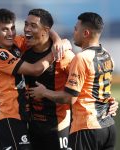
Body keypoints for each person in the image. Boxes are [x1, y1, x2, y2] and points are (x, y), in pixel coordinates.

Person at [28, 12, 118, 150]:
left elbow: (69, 98)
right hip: (108, 127)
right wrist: (112, 102)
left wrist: (44, 92)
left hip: (87, 127)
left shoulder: (81, 58)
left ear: (86, 33)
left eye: (76, 29)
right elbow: (100, 90)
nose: (73, 32)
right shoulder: (107, 55)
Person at [0, 8, 70, 150]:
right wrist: (57, 52)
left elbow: (44, 32)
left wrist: (58, 40)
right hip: (8, 117)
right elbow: (35, 69)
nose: (10, 33)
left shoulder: (15, 43)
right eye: (4, 30)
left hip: (21, 117)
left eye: (12, 28)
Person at [21, 8, 75, 150]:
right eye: (26, 24)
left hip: (59, 127)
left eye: (33, 26)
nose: (27, 29)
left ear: (45, 30)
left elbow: (80, 90)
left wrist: (107, 101)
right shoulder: (22, 50)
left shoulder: (65, 56)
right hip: (33, 128)